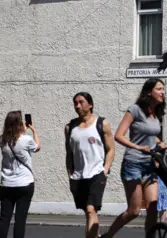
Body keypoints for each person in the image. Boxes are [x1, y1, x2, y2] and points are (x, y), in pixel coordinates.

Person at [103, 78, 167, 238]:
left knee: (153, 207)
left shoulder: (156, 114)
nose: (163, 92)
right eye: (159, 89)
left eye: (163, 89)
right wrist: (138, 147)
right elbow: (119, 135)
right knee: (134, 211)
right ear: (149, 92)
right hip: (133, 164)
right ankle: (108, 235)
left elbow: (151, 137)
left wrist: (161, 143)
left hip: (149, 165)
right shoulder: (135, 110)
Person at [65, 92, 115, 238]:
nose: (77, 105)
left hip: (97, 173)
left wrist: (105, 169)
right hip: (78, 176)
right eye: (75, 103)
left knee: (91, 209)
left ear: (90, 104)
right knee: (88, 213)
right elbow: (69, 153)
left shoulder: (102, 123)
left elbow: (111, 149)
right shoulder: (70, 127)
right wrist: (70, 174)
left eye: (81, 102)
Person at [0, 111, 41, 238]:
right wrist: (34, 131)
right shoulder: (26, 139)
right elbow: (36, 147)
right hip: (24, 184)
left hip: (6, 184)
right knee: (20, 220)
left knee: (4, 219)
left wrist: (22, 131)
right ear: (18, 123)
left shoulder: (1, 140)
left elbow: (15, 142)